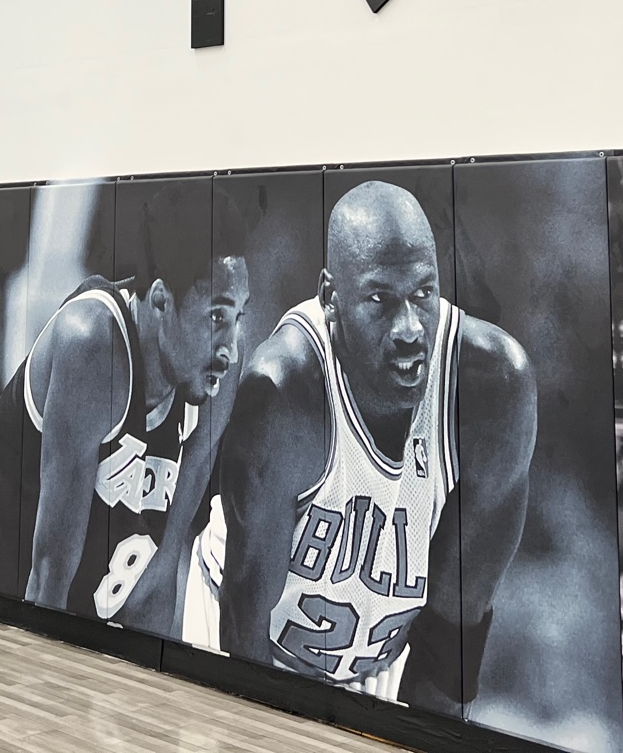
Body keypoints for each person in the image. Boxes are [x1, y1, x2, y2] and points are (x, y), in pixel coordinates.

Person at [188, 181, 535, 713]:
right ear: (331, 299)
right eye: (380, 299)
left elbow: (451, 638)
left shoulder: (494, 388)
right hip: (240, 638)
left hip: (380, 666)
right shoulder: (284, 392)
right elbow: (244, 628)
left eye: (424, 294)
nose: (409, 328)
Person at [0, 208, 249, 629]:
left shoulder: (215, 372)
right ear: (162, 301)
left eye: (238, 317)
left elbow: (160, 576)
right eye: (216, 316)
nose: (231, 347)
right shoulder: (94, 345)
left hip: (77, 608)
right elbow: (47, 578)